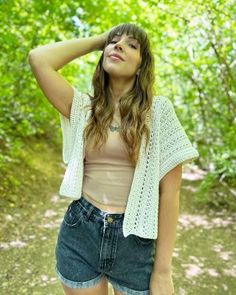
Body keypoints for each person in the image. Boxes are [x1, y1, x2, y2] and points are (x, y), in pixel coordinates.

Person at [28, 23, 199, 295]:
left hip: (135, 242)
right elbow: (39, 59)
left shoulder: (158, 112)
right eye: (114, 42)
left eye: (132, 45)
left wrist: (163, 271)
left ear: (142, 66)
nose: (119, 45)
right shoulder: (83, 107)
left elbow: (170, 192)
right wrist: (100, 40)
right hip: (81, 231)